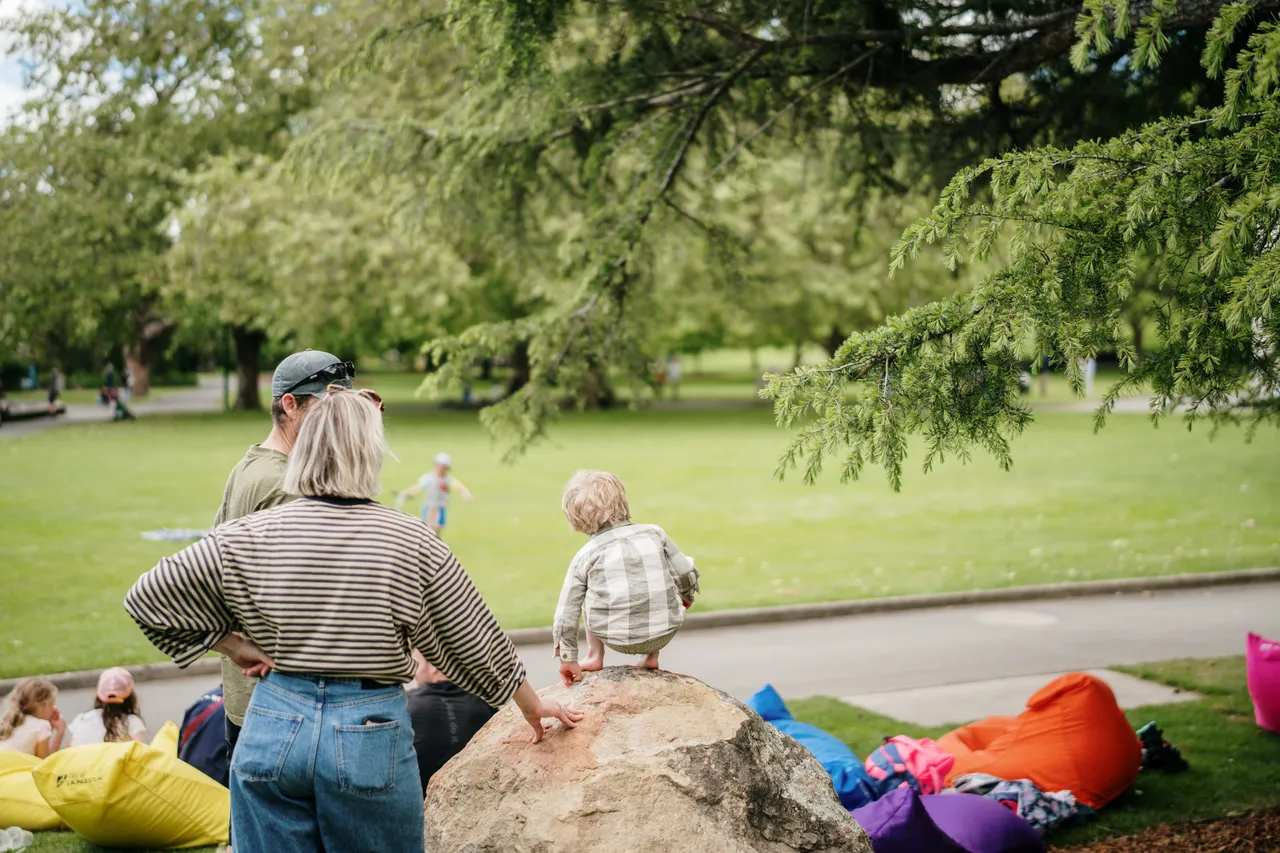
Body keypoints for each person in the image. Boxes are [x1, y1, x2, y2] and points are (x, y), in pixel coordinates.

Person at [124, 387, 581, 853]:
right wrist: (529, 703)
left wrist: (233, 645)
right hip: (368, 733)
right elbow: (472, 637)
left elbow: (147, 597)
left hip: (273, 722)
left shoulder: (250, 534)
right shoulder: (409, 539)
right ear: (370, 453)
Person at [212, 349, 353, 760]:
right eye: (326, 410)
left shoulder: (249, 465)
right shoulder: (285, 485)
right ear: (289, 404)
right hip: (284, 708)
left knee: (250, 824)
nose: (337, 423)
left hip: (248, 703)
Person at [552, 470, 701, 686]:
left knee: (586, 597)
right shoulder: (655, 533)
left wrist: (568, 658)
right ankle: (651, 656)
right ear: (622, 502)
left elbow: (566, 613)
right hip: (664, 631)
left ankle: (594, 655)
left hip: (616, 639)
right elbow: (685, 573)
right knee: (667, 570)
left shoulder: (585, 555)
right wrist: (686, 597)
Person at [406, 650, 497, 790]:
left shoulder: (407, 705)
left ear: (435, 666)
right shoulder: (485, 705)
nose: (414, 674)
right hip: (475, 795)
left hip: (421, 803)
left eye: (415, 664)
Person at [396, 452, 472, 535]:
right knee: (430, 530)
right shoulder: (428, 478)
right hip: (430, 507)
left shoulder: (448, 480)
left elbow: (459, 486)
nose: (440, 468)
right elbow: (418, 487)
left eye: (442, 466)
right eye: (438, 465)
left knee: (437, 531)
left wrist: (465, 493)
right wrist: (407, 493)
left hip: (441, 507)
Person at [66, 667, 147, 746]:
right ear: (131, 697)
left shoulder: (81, 718)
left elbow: (68, 749)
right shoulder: (131, 722)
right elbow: (142, 753)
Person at [0, 677, 65, 757]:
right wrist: (60, 733)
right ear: (44, 706)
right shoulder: (42, 726)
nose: (54, 708)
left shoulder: (8, 721)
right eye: (52, 704)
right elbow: (45, 763)